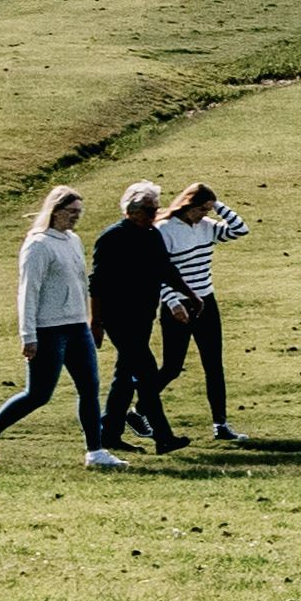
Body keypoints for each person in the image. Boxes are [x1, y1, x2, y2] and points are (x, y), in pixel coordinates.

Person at [0, 189, 96, 465]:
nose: (76, 217)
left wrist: (88, 318)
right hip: (49, 329)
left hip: (76, 325)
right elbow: (28, 292)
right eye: (71, 211)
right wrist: (28, 335)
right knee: (38, 395)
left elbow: (80, 283)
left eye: (79, 212)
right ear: (56, 210)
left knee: (90, 388)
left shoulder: (73, 240)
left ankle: (95, 451)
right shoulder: (38, 244)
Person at [86, 178, 187, 459]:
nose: (155, 216)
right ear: (130, 210)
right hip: (119, 319)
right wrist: (96, 322)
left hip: (144, 316)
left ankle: (109, 434)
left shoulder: (152, 235)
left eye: (156, 210)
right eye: (149, 210)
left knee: (124, 376)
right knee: (146, 373)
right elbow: (97, 282)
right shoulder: (112, 238)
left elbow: (165, 269)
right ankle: (163, 437)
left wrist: (190, 294)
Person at [151, 179, 247, 446]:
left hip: (206, 301)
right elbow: (158, 273)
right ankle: (138, 409)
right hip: (178, 305)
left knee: (213, 365)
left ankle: (221, 424)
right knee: (171, 367)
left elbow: (240, 229)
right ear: (188, 204)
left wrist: (217, 205)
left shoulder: (207, 227)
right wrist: (173, 302)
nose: (204, 215)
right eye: (201, 209)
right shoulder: (165, 229)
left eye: (208, 210)